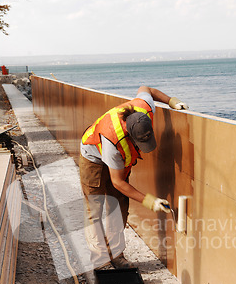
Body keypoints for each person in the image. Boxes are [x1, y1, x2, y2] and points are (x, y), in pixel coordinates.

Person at [79, 85, 189, 270]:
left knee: (119, 205)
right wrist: (150, 201)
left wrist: (172, 100)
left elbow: (146, 88)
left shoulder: (144, 108)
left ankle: (116, 254)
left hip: (116, 161)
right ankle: (100, 260)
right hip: (93, 157)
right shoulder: (112, 140)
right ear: (130, 136)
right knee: (94, 208)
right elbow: (117, 182)